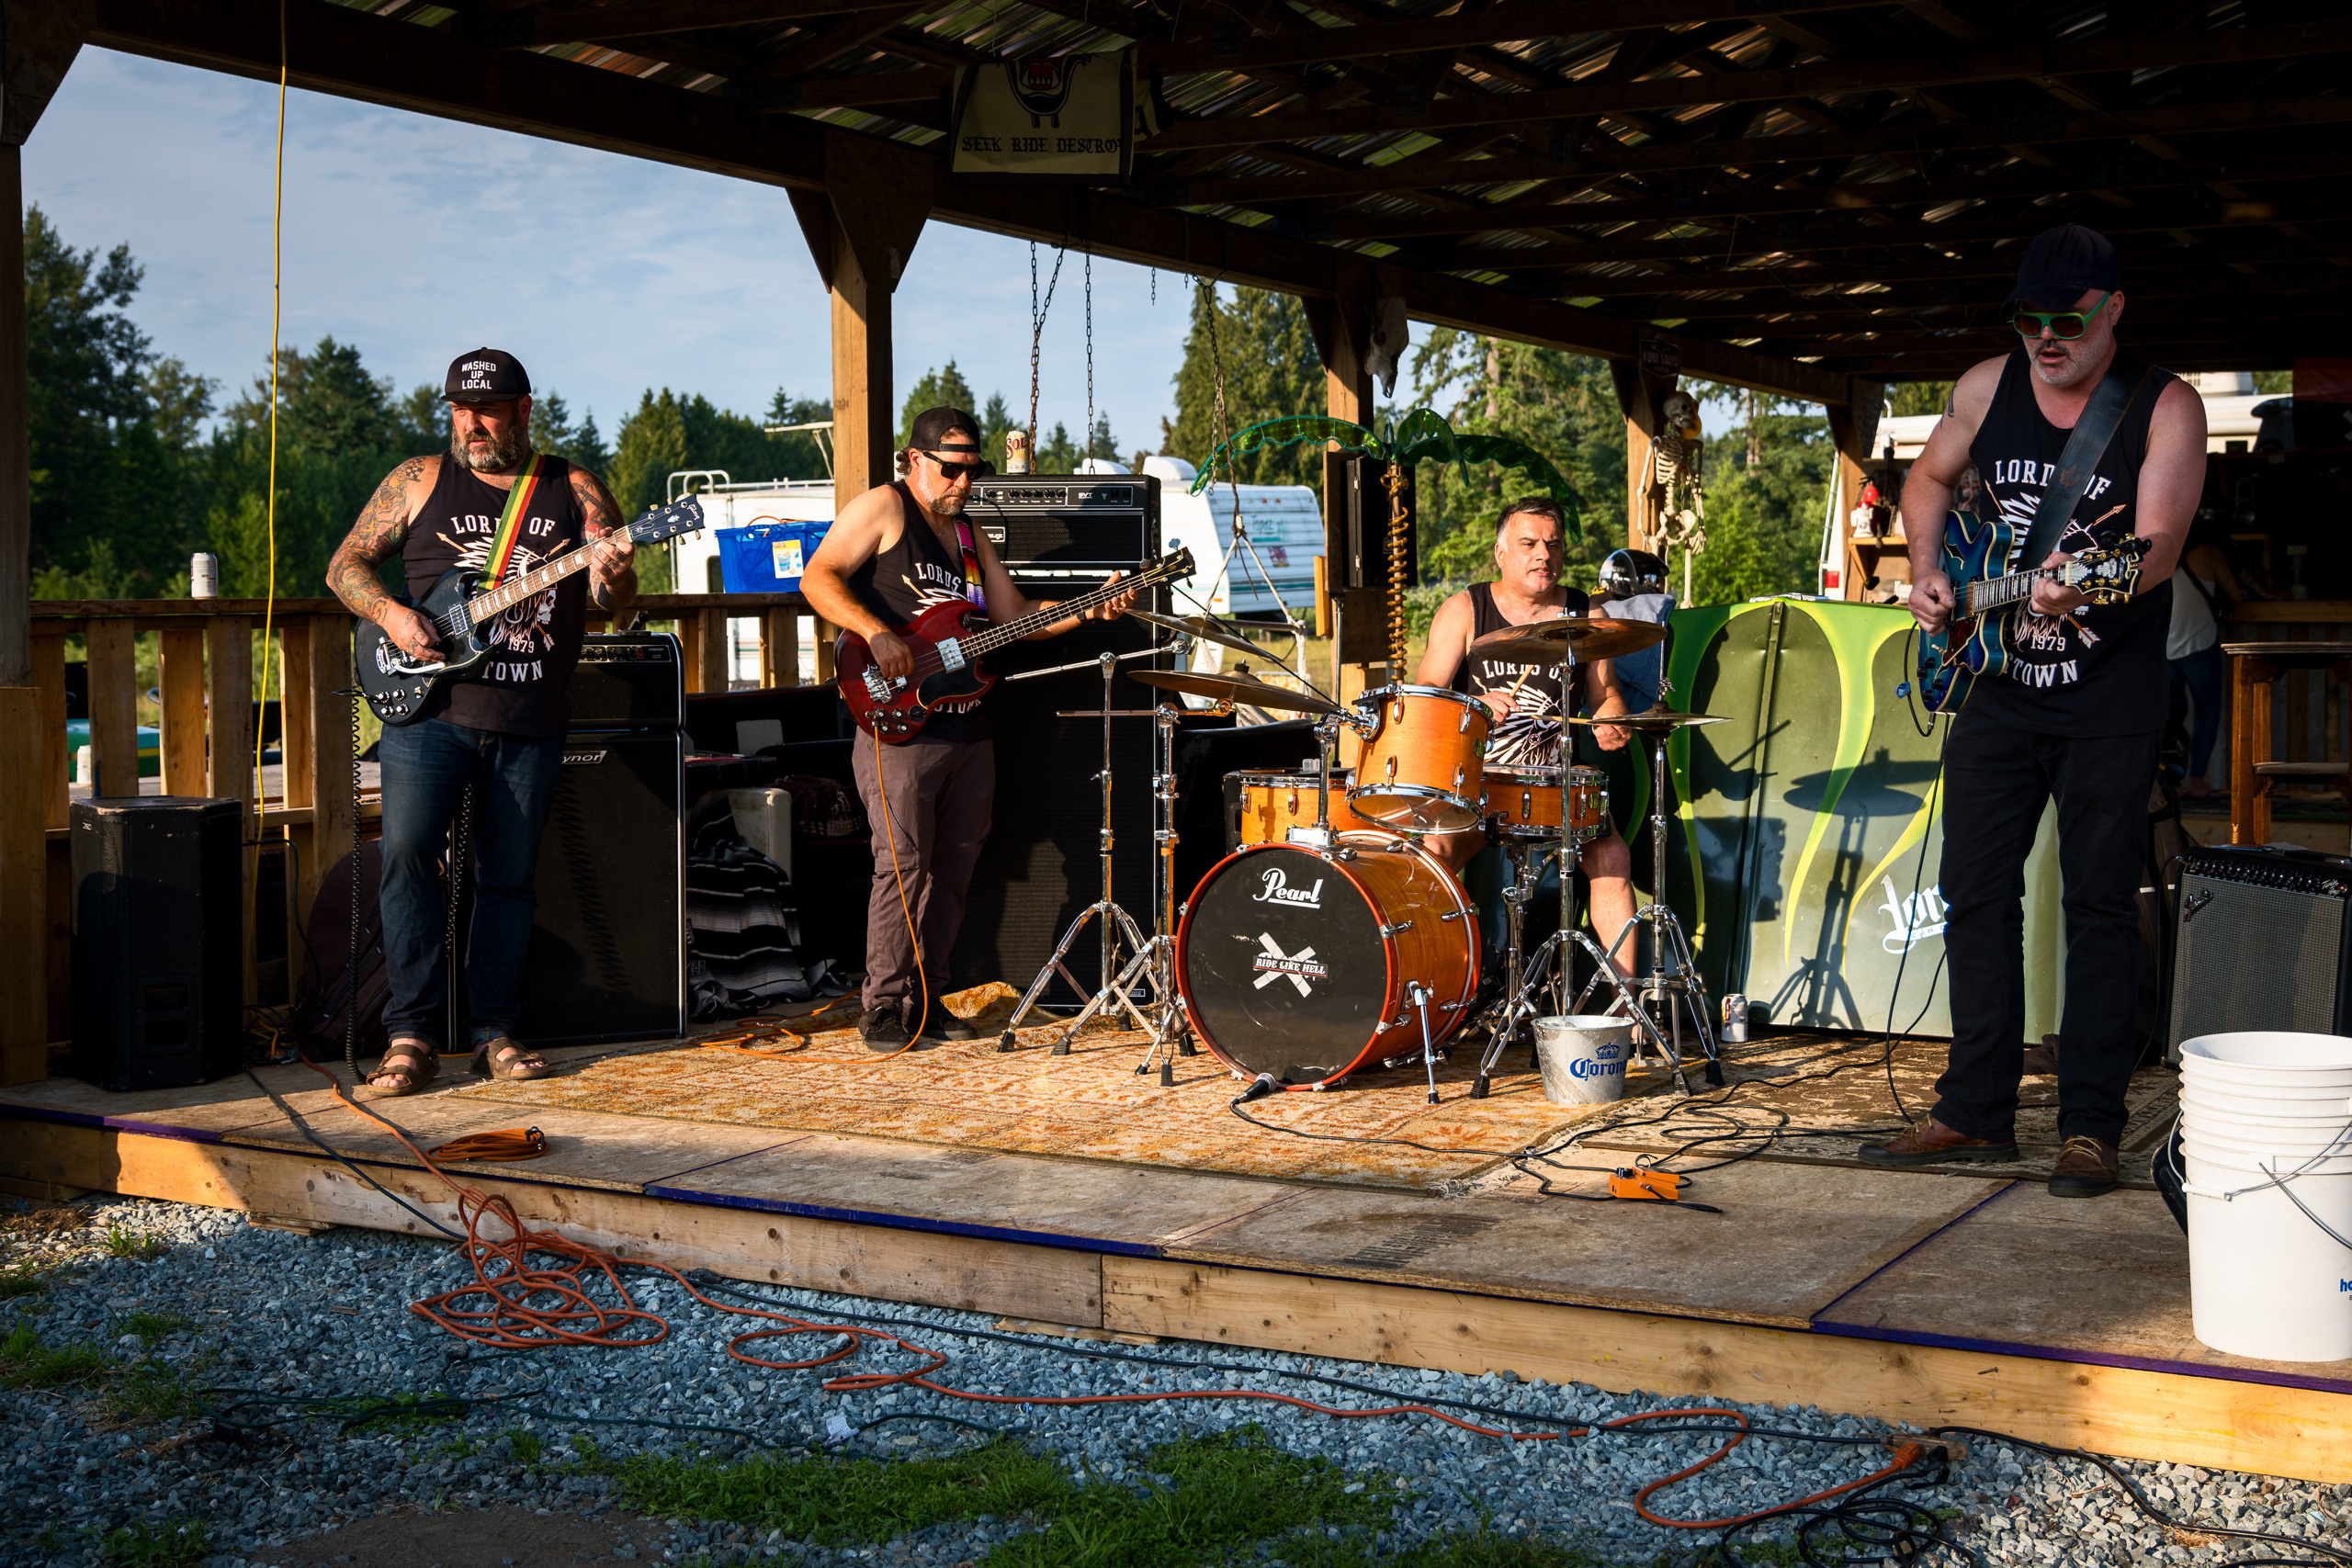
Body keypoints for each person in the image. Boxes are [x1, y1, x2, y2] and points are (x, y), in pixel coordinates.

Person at [1861, 225, 2207, 1197]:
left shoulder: (2164, 405)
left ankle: (2089, 1126)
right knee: (1973, 895)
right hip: (1996, 690)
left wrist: (2086, 586)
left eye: (2067, 321)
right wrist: (1928, 571)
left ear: (2113, 312)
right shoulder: (1984, 387)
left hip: (2107, 699)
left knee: (2096, 906)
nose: (2045, 339)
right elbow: (1925, 478)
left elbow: (2158, 548)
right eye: (2028, 320)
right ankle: (1974, 1108)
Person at [324, 348, 638, 1095]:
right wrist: (397, 615)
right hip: (427, 709)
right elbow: (346, 568)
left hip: (529, 711)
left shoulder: (575, 488)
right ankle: (411, 1032)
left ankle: (494, 1028)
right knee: (406, 862)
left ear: (524, 409)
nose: (470, 423)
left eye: (487, 409)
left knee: (508, 877)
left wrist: (618, 577)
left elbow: (615, 604)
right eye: (459, 409)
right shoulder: (418, 479)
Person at [798, 407, 1137, 1051]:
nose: (964, 483)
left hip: (967, 722)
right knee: (901, 863)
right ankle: (881, 1005)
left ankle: (925, 995)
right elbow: (817, 576)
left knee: (953, 867)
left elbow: (1017, 616)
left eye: (973, 471)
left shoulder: (968, 535)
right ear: (916, 460)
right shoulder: (884, 507)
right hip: (896, 720)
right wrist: (875, 632)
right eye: (952, 470)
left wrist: (1090, 606)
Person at [1414, 498, 1636, 987]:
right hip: (1480, 783)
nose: (1544, 555)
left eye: (1553, 545)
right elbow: (1425, 701)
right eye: (1529, 544)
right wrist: (1474, 709)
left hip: (1553, 784)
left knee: (1611, 854)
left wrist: (1610, 720)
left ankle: (1629, 1004)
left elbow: (1607, 696)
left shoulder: (1586, 611)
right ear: (1500, 552)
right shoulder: (1465, 610)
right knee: (1433, 849)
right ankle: (1441, 988)